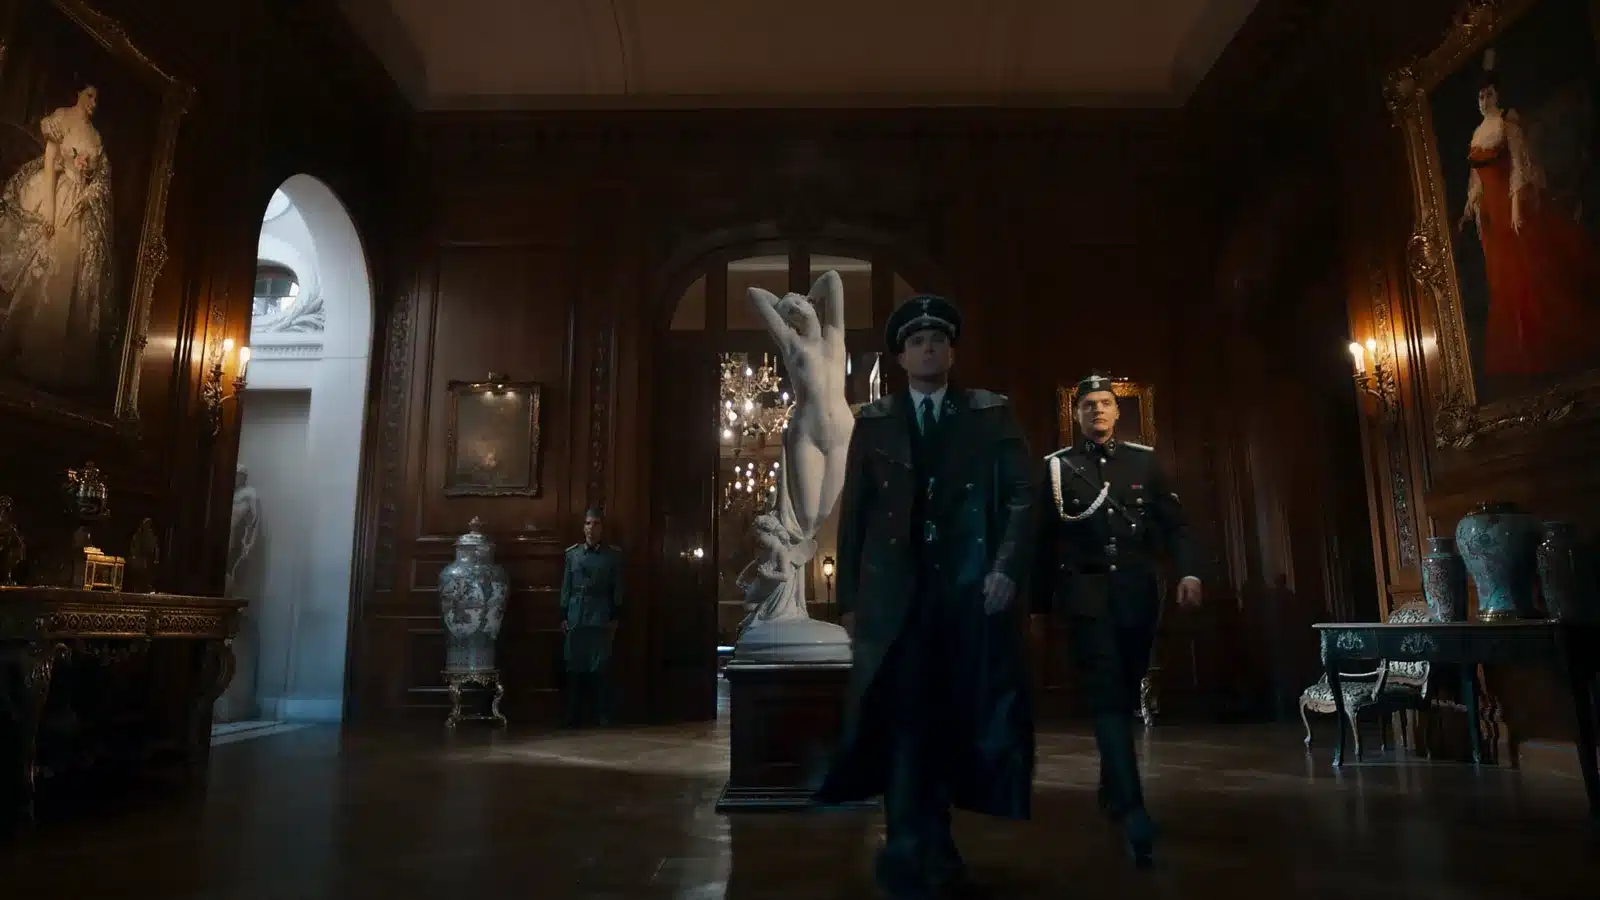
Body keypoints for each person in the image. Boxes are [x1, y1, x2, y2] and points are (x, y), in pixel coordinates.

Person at [815, 294, 1036, 898]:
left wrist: (1006, 569)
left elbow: (1024, 497)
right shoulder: (877, 420)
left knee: (953, 717)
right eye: (917, 341)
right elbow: (856, 516)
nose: (929, 348)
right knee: (902, 717)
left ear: (951, 352)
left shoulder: (989, 413)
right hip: (894, 598)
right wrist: (849, 601)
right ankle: (904, 841)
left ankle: (936, 840)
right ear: (901, 357)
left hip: (968, 592)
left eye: (938, 339)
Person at [1033, 373, 1202, 869]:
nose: (1098, 411)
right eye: (1088, 405)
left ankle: (1113, 784)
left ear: (1117, 410)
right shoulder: (1056, 468)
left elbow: (1176, 526)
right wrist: (1038, 608)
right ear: (1077, 414)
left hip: (1135, 593)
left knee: (1126, 690)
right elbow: (1042, 541)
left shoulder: (1144, 462)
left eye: (1105, 403)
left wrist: (1189, 571)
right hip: (1084, 596)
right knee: (1106, 695)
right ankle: (1133, 811)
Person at [559, 507, 624, 727]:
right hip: (576, 614)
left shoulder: (612, 556)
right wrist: (563, 613)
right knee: (573, 665)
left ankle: (601, 714)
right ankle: (572, 714)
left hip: (600, 614)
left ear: (602, 528)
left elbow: (617, 587)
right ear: (583, 527)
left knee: (600, 667)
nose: (591, 528)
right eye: (588, 523)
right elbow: (566, 586)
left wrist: (615, 614)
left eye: (596, 524)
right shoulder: (573, 554)